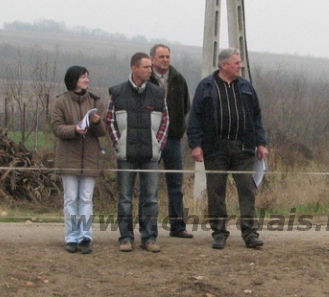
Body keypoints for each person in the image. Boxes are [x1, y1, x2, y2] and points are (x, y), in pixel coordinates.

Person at [186, 48, 270, 250]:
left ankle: (250, 233)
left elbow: (256, 117)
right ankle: (219, 233)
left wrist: (261, 143)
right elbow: (195, 118)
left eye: (240, 62)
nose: (240, 65)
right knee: (216, 191)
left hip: (243, 148)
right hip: (215, 149)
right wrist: (196, 145)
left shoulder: (246, 87)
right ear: (224, 65)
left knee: (247, 190)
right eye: (236, 63)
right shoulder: (206, 86)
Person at [106, 52, 169, 253]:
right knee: (125, 198)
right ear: (134, 68)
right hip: (126, 155)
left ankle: (149, 238)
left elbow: (165, 121)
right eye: (146, 67)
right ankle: (125, 237)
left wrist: (157, 144)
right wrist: (118, 143)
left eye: (150, 67)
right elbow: (109, 120)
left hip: (151, 155)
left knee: (150, 198)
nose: (150, 70)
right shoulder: (117, 92)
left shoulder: (158, 93)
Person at [50, 65, 106, 254]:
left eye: (87, 76)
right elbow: (57, 128)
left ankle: (85, 236)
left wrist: (96, 122)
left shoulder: (95, 102)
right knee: (71, 198)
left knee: (86, 198)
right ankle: (71, 237)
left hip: (90, 157)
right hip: (69, 158)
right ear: (74, 79)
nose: (87, 80)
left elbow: (102, 132)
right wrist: (74, 129)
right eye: (83, 77)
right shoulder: (60, 102)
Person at [150, 44, 193, 239]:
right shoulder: (146, 79)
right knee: (149, 184)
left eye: (167, 56)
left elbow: (185, 107)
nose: (165, 60)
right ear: (152, 59)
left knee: (175, 184)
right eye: (161, 57)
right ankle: (149, 226)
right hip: (150, 139)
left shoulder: (178, 79)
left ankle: (177, 225)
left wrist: (175, 127)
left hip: (173, 139)